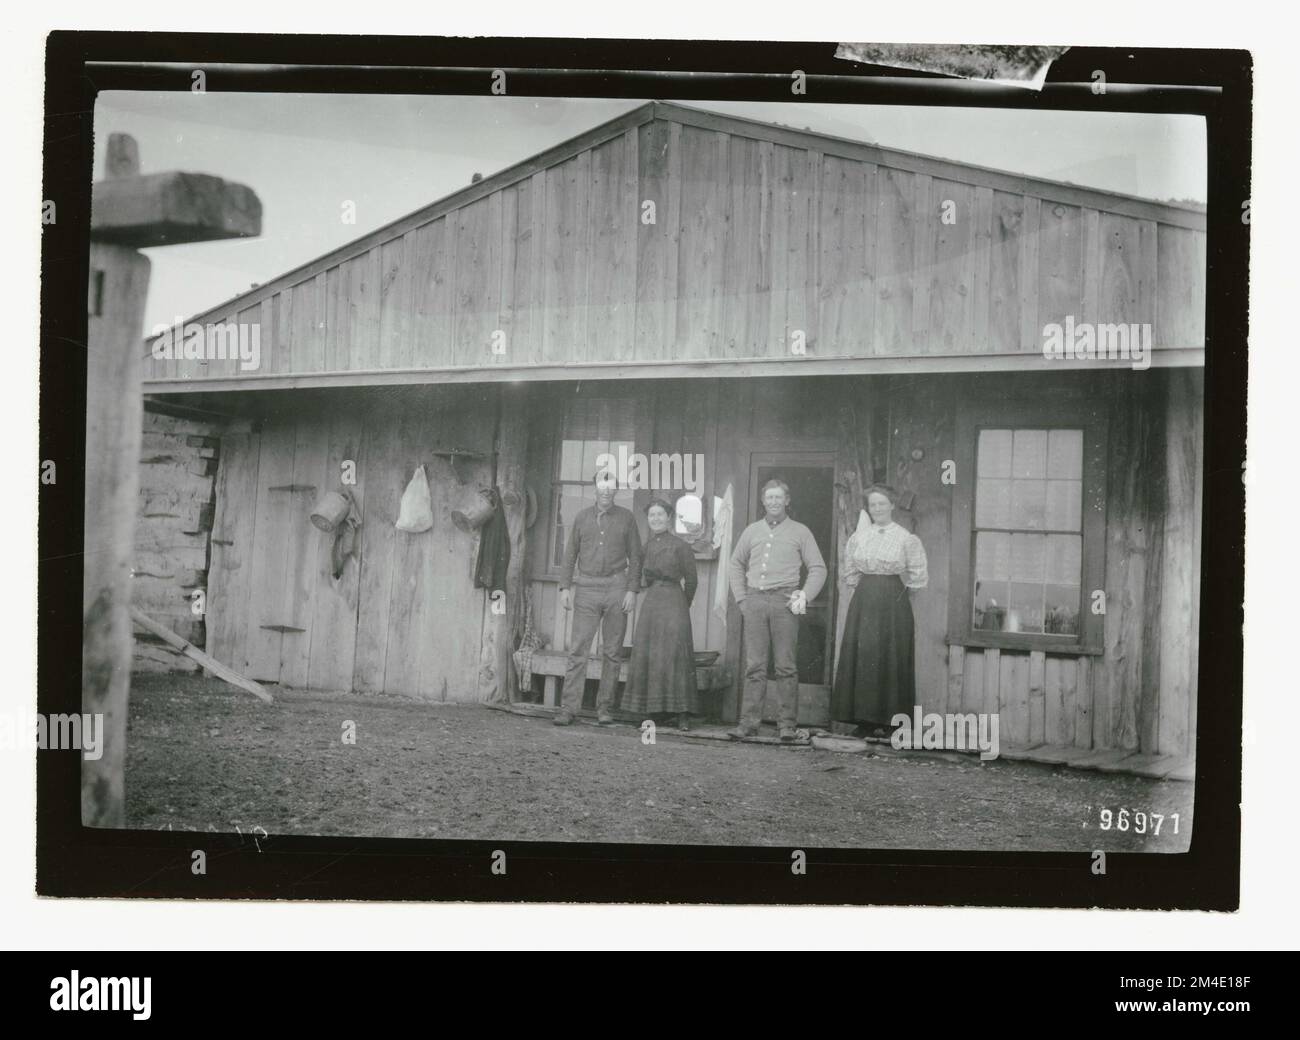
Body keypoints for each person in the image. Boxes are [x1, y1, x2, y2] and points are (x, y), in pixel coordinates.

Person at [726, 478, 827, 741]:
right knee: (755, 666)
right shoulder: (751, 531)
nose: (773, 502)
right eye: (769, 498)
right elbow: (735, 564)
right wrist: (741, 599)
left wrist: (803, 596)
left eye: (778, 497)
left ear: (787, 500)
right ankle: (748, 723)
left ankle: (787, 726)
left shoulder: (800, 531)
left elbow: (818, 568)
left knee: (785, 666)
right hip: (755, 601)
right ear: (763, 501)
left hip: (785, 603)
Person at [831, 484, 928, 737]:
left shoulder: (906, 538)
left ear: (892, 506)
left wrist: (897, 593)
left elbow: (917, 577)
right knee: (865, 655)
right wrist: (867, 591)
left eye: (882, 504)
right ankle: (864, 720)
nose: (877, 509)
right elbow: (851, 573)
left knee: (892, 654)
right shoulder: (859, 538)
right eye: (873, 505)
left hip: (894, 602)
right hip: (865, 599)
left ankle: (891, 722)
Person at [554, 471, 642, 726]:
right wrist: (564, 588)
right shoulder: (582, 517)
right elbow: (570, 554)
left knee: (613, 652)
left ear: (616, 490)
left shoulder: (627, 518)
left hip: (616, 586)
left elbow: (636, 557)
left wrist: (632, 590)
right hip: (587, 587)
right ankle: (569, 709)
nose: (606, 491)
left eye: (610, 487)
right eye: (601, 486)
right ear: (595, 488)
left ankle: (605, 708)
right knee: (578, 650)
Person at [620, 498, 699, 730]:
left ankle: (683, 713)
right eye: (652, 515)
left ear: (669, 518)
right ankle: (653, 712)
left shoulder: (681, 546)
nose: (656, 519)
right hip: (652, 601)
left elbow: (692, 580)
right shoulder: (645, 547)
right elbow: (637, 572)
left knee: (676, 654)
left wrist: (682, 604)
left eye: (660, 515)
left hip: (675, 601)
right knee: (651, 652)